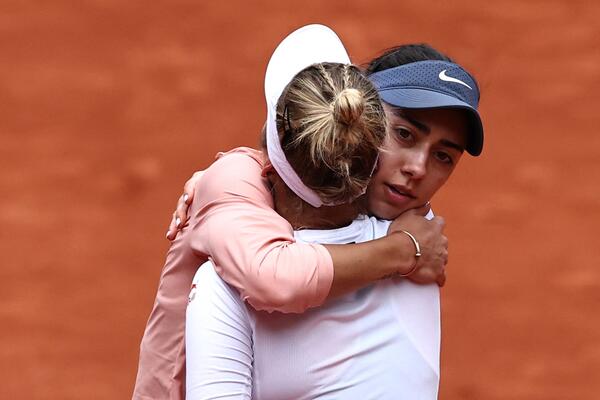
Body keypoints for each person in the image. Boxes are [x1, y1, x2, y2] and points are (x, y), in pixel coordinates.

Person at [133, 24, 483, 400]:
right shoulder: (236, 185)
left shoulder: (409, 221)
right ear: (357, 114)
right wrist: (406, 250)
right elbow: (275, 277)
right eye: (404, 134)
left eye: (443, 156)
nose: (418, 168)